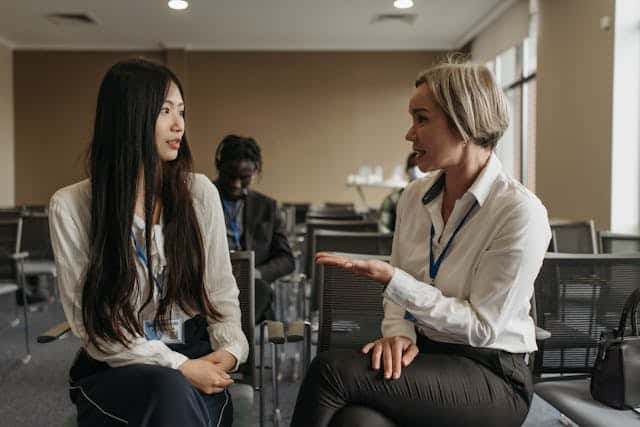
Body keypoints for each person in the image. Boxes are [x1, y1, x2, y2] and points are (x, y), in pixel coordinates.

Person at [291, 57, 551, 427]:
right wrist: (397, 334)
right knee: (356, 421)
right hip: (426, 357)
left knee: (330, 371)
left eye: (422, 119)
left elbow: (482, 328)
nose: (409, 134)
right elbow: (399, 299)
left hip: (492, 372)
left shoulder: (519, 212)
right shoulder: (414, 197)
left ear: (464, 122)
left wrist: (395, 282)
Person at [48, 58, 248, 427]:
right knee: (169, 390)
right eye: (165, 111)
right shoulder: (72, 206)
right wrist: (180, 368)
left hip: (196, 352)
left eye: (182, 111)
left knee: (176, 396)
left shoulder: (199, 193)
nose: (179, 125)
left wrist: (231, 351)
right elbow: (96, 330)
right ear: (129, 118)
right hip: (117, 366)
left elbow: (221, 294)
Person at [213, 134, 295, 323]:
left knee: (260, 291)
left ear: (255, 171)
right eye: (229, 176)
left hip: (251, 286)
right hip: (211, 283)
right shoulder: (198, 199)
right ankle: (237, 341)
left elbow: (287, 259)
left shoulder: (267, 207)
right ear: (219, 167)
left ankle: (234, 340)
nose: (236, 185)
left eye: (244, 178)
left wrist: (256, 273)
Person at [378, 152, 420, 233]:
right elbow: (383, 231)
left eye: (421, 167)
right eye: (413, 166)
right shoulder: (392, 200)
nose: (417, 169)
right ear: (406, 170)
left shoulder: (437, 199)